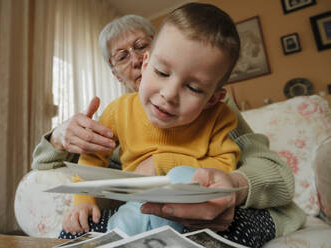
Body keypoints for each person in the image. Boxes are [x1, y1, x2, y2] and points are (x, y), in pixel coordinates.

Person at [32, 4, 305, 248]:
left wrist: (165, 163)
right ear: (114, 73)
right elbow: (72, 163)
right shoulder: (115, 114)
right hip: (138, 212)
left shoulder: (215, 112)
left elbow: (264, 172)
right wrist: (59, 138)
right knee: (74, 236)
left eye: (140, 46)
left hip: (200, 208)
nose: (136, 59)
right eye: (122, 56)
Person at [68, 3, 242, 236]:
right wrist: (81, 199)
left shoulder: (220, 116)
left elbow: (225, 168)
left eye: (192, 87)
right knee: (125, 222)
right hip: (138, 202)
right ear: (148, 64)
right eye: (162, 73)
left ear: (213, 99)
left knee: (182, 177)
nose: (169, 94)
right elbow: (92, 157)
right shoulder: (118, 110)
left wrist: (164, 163)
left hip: (190, 203)